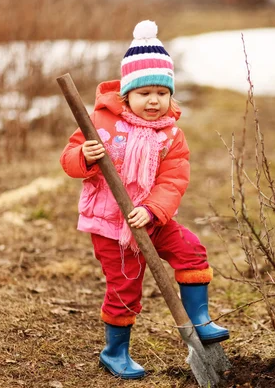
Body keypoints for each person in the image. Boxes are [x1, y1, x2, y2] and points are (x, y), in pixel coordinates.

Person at [59, 20, 229, 380]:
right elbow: (69, 160)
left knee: (192, 251)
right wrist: (86, 156)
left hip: (153, 218)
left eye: (161, 93)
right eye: (144, 93)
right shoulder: (101, 123)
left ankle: (198, 318)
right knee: (125, 287)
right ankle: (115, 351)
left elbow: (174, 179)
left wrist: (152, 210)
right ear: (127, 95)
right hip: (110, 223)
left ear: (170, 95)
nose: (154, 101)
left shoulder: (170, 135)